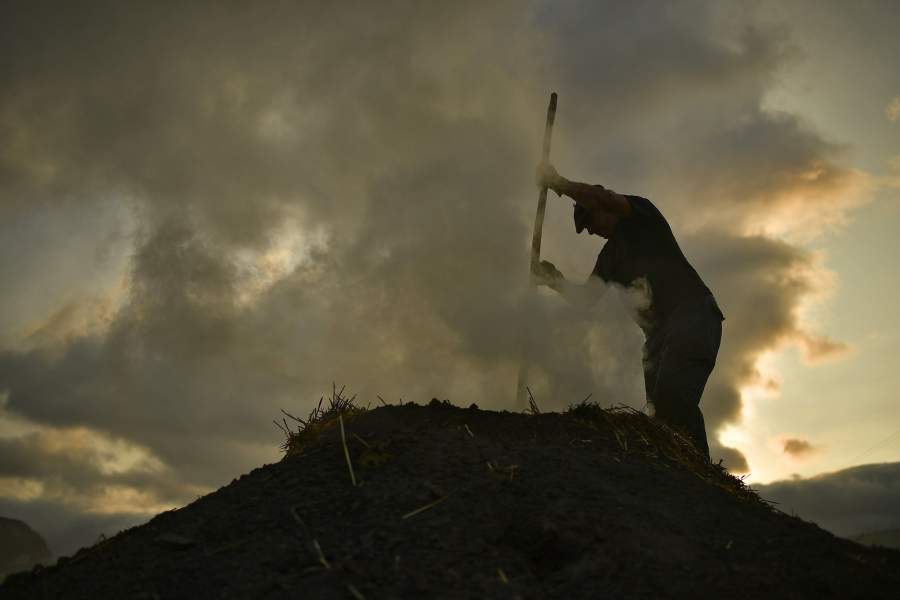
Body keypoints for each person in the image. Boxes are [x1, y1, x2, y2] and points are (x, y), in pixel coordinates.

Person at [534, 163, 724, 460]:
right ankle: (678, 472)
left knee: (673, 397)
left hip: (693, 315)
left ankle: (702, 473)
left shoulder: (641, 216)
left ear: (601, 205)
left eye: (590, 219)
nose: (591, 230)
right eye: (585, 228)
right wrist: (553, 280)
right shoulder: (611, 257)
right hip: (658, 338)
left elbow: (605, 198)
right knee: (660, 416)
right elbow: (586, 299)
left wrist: (558, 183)